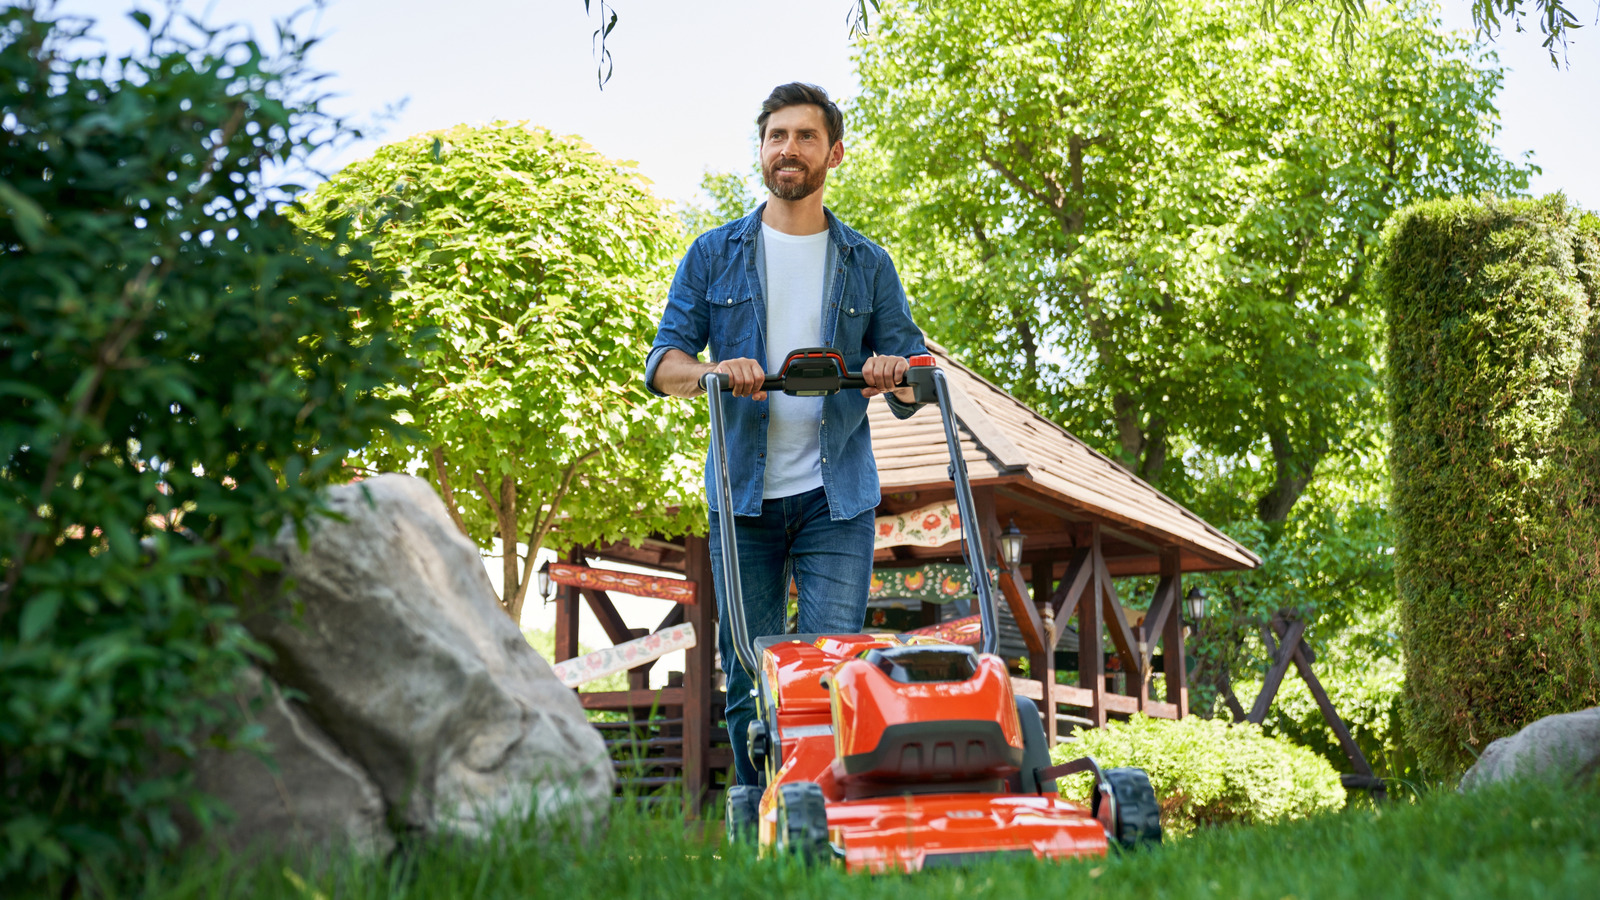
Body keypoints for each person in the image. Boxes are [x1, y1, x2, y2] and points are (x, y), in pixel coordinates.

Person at [644, 82, 930, 786]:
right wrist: (715, 371)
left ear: (835, 152)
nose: (788, 149)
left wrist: (894, 371)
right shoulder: (715, 254)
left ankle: (830, 820)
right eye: (776, 136)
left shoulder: (868, 262)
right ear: (762, 150)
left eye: (805, 136)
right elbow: (663, 365)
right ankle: (757, 820)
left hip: (838, 500)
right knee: (751, 673)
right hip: (744, 501)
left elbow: (919, 375)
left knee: (835, 665)